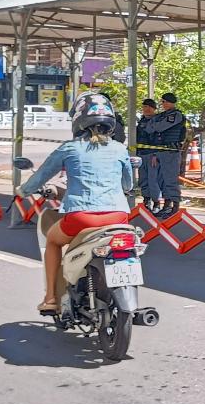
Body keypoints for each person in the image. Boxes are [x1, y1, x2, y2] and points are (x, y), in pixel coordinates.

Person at [18, 94, 134, 314]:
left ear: (78, 120)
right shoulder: (120, 149)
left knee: (52, 241)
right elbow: (128, 184)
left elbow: (40, 177)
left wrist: (23, 191)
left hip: (81, 217)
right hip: (118, 217)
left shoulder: (69, 148)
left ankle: (51, 298)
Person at [139, 93, 187, 217]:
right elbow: (150, 129)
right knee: (161, 180)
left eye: (165, 102)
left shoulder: (176, 115)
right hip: (160, 151)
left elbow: (160, 127)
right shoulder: (161, 116)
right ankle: (166, 205)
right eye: (162, 102)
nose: (163, 104)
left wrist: (155, 125)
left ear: (171, 102)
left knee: (170, 180)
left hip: (171, 151)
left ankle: (173, 205)